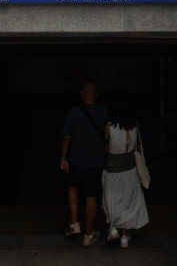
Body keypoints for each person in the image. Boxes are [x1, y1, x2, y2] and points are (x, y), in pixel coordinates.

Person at [59, 79, 110, 245]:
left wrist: (63, 158)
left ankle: (74, 224)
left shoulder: (73, 111)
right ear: (96, 94)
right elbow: (107, 136)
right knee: (91, 197)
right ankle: (88, 235)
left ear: (82, 94)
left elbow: (67, 137)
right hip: (96, 163)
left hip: (76, 161)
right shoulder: (103, 111)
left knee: (73, 188)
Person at [101, 103, 149, 249]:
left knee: (111, 200)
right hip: (130, 170)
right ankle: (124, 238)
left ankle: (113, 229)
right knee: (128, 203)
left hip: (112, 171)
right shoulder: (134, 125)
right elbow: (137, 146)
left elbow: (106, 142)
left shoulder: (109, 126)